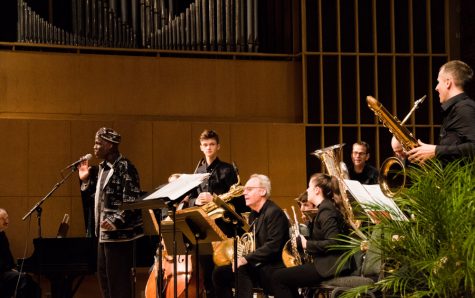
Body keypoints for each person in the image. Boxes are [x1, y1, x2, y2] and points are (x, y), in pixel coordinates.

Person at [78, 127, 144, 298]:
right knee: (104, 279)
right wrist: (85, 181)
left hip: (120, 236)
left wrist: (115, 220)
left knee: (119, 283)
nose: (94, 147)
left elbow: (133, 200)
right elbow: (98, 198)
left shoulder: (126, 167)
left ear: (109, 145)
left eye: (98, 143)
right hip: (103, 234)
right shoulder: (101, 168)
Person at [187, 129, 248, 297]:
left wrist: (214, 198)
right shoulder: (197, 172)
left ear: (218, 146)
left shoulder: (228, 170)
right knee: (206, 275)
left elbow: (240, 203)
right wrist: (196, 201)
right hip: (204, 229)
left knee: (220, 274)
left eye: (212, 144)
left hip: (224, 230)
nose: (209, 148)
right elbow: (189, 200)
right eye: (205, 145)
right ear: (200, 147)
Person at [272, 174, 354, 298]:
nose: (307, 190)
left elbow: (334, 243)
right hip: (326, 264)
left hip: (330, 266)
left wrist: (307, 244)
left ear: (317, 190)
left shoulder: (326, 211)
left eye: (309, 187)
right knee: (284, 278)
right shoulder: (325, 209)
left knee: (278, 278)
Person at [212, 174, 290, 298]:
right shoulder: (254, 215)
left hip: (272, 267)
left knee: (241, 267)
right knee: (220, 273)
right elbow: (250, 241)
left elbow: (273, 246)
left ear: (262, 191)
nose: (244, 193)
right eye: (244, 190)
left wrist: (245, 259)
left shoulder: (274, 212)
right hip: (258, 265)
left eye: (249, 189)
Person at [408, 60, 475, 164]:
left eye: (438, 82)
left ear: (448, 82)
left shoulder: (464, 108)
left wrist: (436, 151)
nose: (436, 88)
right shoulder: (457, 108)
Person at [0, 208, 41, 298]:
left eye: (7, 218)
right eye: (4, 219)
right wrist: (10, 269)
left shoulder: (2, 234)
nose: (7, 221)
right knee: (24, 279)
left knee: (33, 284)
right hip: (1, 272)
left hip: (5, 270)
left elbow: (7, 257)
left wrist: (14, 267)